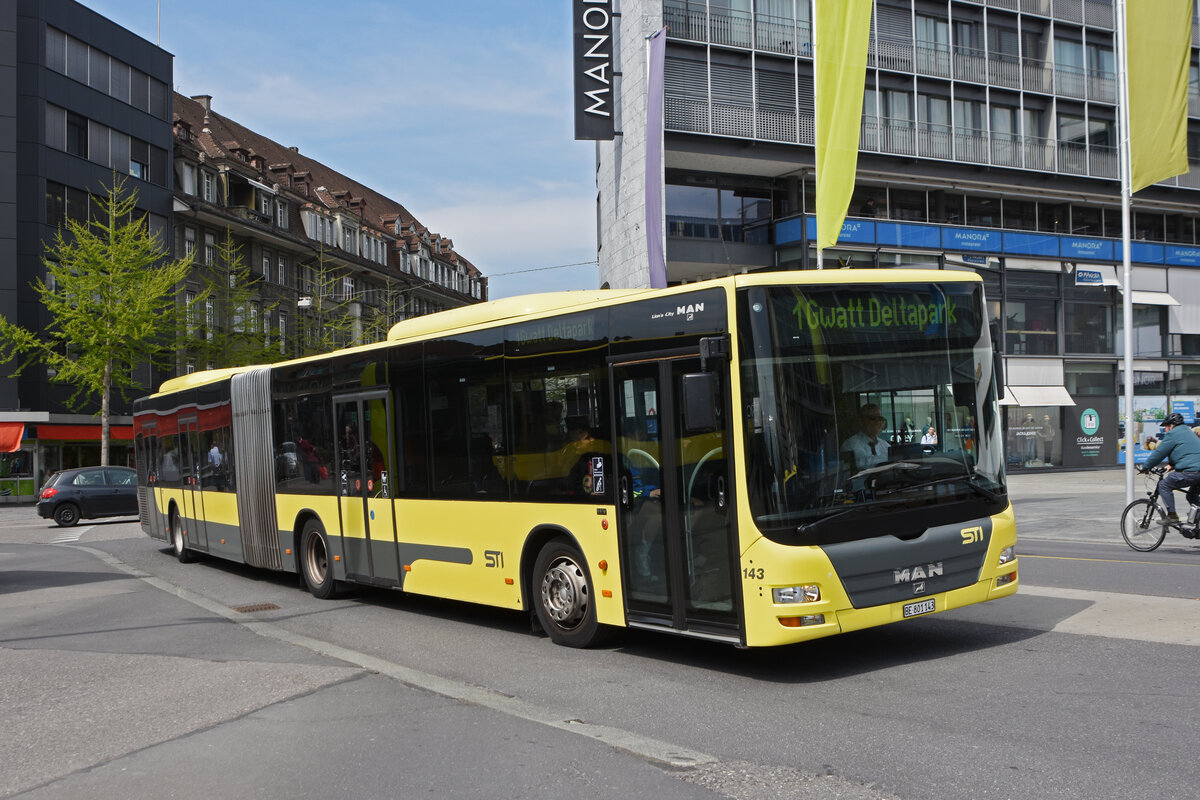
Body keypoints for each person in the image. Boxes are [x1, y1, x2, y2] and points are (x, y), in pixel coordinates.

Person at [1140, 412, 1200, 524]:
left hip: (1191, 472)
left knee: (1164, 485)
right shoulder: (1188, 432)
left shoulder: (1172, 434)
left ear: (1171, 425)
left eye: (1166, 427)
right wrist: (1172, 465)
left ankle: (1172, 516)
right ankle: (1196, 523)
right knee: (1191, 496)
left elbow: (1159, 453)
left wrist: (1145, 467)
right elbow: (1186, 452)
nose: (1165, 430)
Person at [841, 404, 888, 471]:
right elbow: (863, 463)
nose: (878, 422)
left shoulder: (884, 444)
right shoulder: (850, 444)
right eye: (873, 418)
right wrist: (891, 457)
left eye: (880, 419)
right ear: (861, 421)